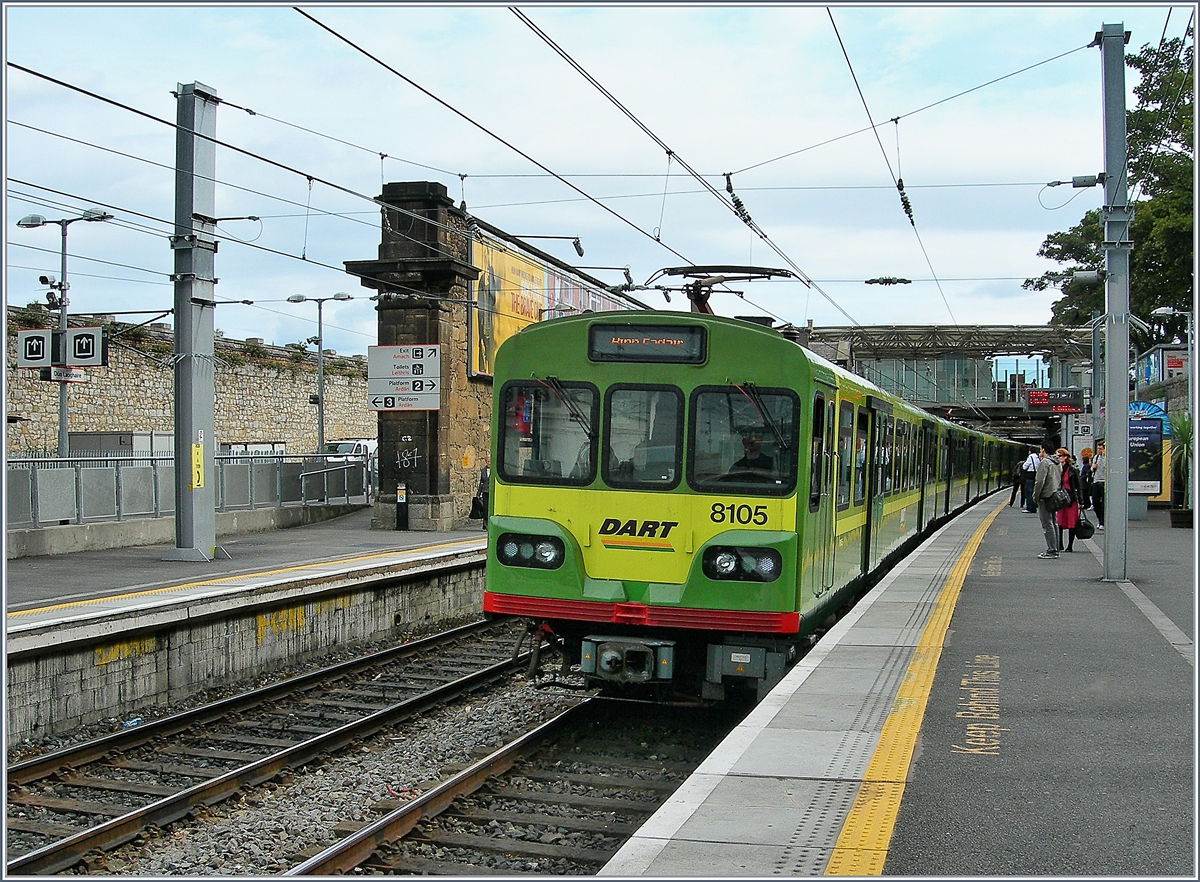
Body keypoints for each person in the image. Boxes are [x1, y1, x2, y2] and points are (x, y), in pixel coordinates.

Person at [1032, 440, 1062, 559]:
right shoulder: (1057, 462)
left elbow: (1040, 481)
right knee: (1053, 522)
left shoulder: (1045, 462)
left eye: (1040, 450)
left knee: (1047, 524)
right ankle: (1055, 548)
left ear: (1043, 450)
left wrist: (1036, 495)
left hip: (1045, 496)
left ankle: (1052, 550)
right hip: (1054, 495)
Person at [1055, 448, 1083, 552]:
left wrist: (1081, 501)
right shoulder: (1056, 468)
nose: (1058, 458)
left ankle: (1070, 545)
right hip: (1060, 499)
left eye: (1060, 456)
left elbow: (1078, 486)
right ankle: (1060, 544)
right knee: (1060, 521)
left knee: (1072, 522)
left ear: (1065, 457)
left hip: (1071, 499)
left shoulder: (1072, 470)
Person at [1091, 439, 1106, 530]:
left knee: (1104, 503)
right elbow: (1092, 470)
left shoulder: (1107, 458)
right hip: (1096, 481)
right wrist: (1093, 468)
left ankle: (1102, 522)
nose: (1099, 451)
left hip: (1104, 482)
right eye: (1098, 449)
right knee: (1096, 503)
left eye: (1101, 449)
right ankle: (1100, 519)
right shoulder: (1096, 457)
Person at [1020, 446, 1040, 512]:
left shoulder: (1030, 457)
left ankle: (1029, 507)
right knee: (1034, 492)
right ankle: (1034, 507)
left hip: (1030, 476)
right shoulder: (1038, 457)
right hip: (1036, 475)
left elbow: (1024, 467)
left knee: (1029, 492)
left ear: (1030, 451)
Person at [1079, 447, 1093, 511]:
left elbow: (1087, 474)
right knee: (1085, 494)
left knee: (1085, 494)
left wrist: (1082, 477)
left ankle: (1087, 504)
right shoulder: (1087, 466)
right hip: (1085, 482)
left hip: (1084, 483)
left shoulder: (1086, 466)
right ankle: (1087, 504)